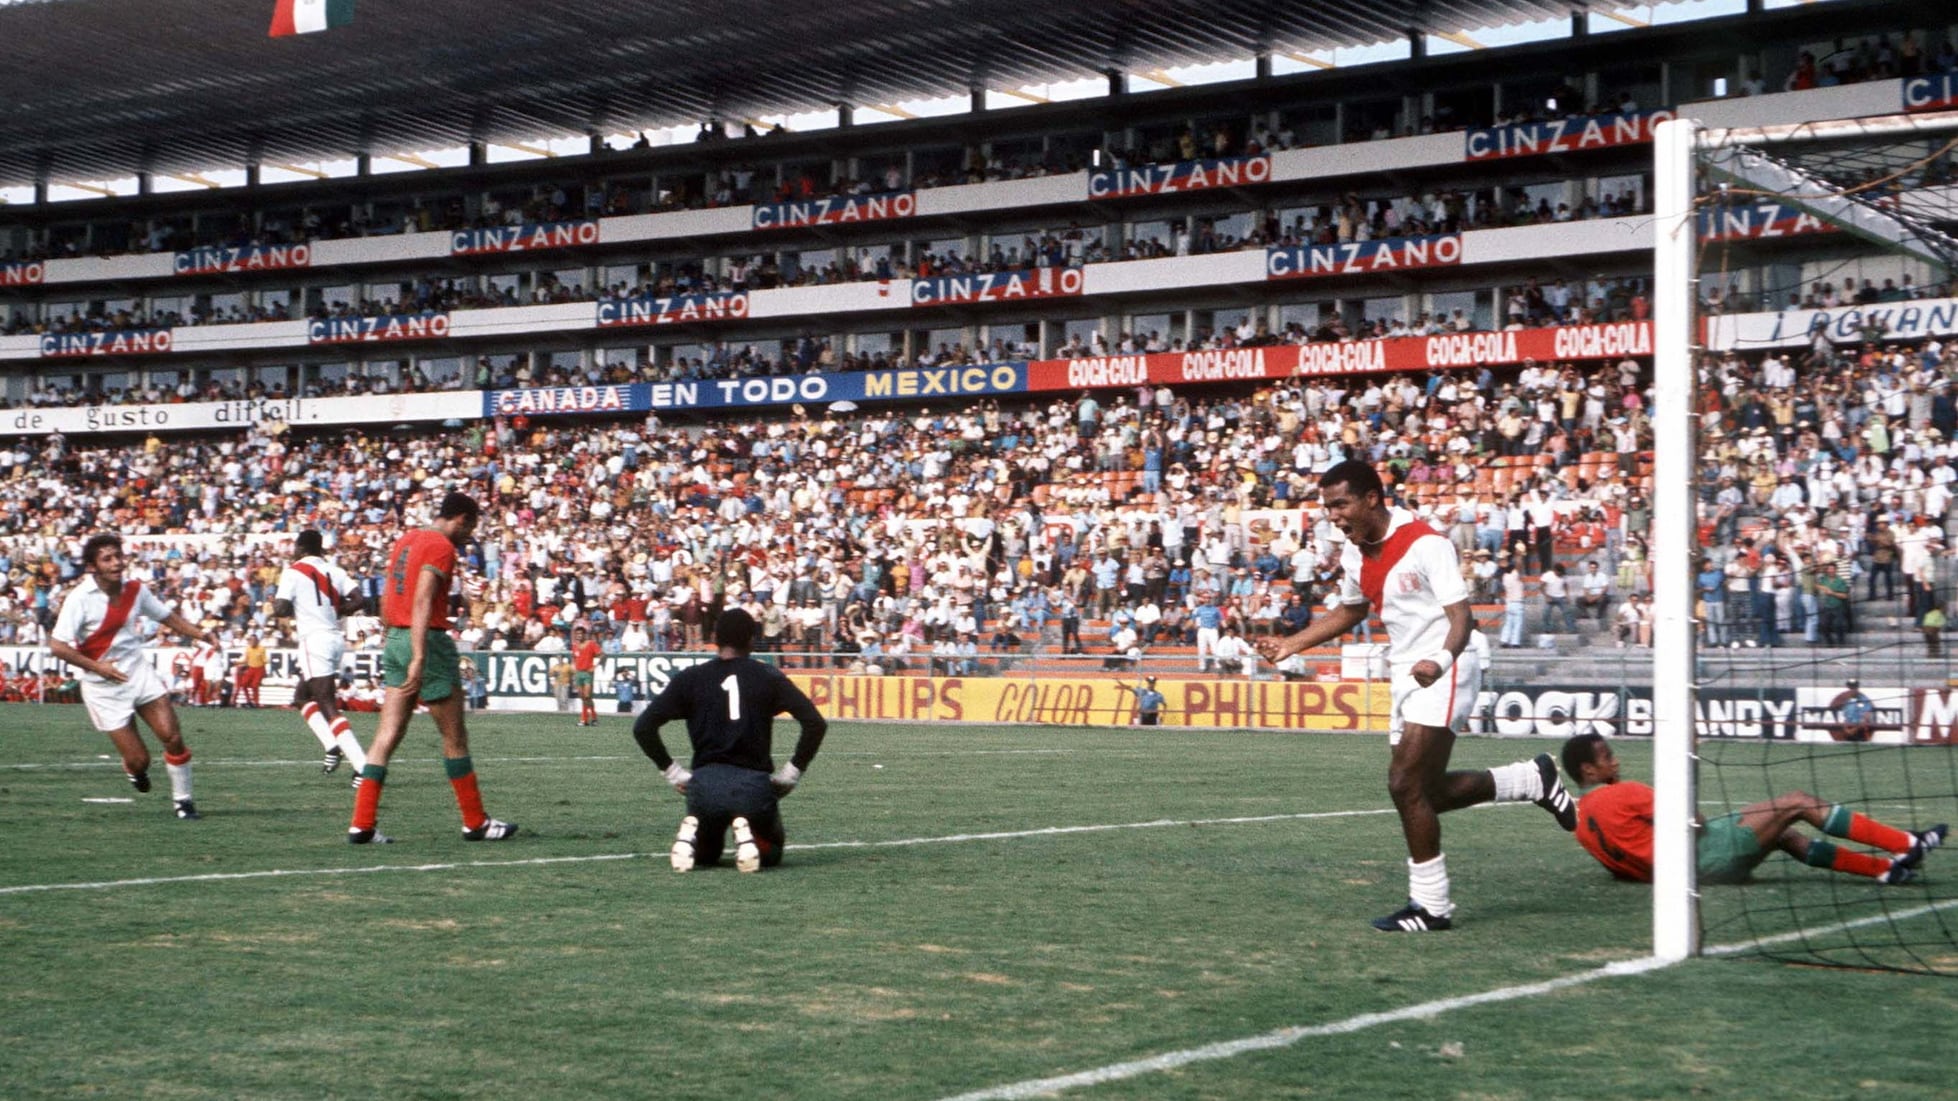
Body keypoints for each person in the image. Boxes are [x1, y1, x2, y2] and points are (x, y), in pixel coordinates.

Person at [1258, 459, 1576, 932]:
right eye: (1328, 508)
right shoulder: (1353, 554)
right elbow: (1350, 611)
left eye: (1341, 504)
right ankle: (1530, 780)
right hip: (1406, 670)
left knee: (1403, 784)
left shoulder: (1426, 544)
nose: (1334, 516)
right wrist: (1291, 644)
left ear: (1371, 499)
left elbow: (1462, 619)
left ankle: (1432, 907)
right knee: (1424, 793)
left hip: (1448, 664)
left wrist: (1441, 662)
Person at [347, 491, 517, 845]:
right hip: (426, 641)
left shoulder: (406, 540)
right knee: (454, 738)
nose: (470, 535)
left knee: (386, 736)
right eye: (470, 527)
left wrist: (395, 638)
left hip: (393, 637)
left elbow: (385, 594)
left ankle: (361, 823)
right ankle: (476, 823)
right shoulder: (442, 547)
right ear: (460, 519)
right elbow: (424, 597)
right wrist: (420, 654)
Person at [1561, 733, 1945, 885]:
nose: (1616, 761)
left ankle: (1885, 871)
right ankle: (1907, 844)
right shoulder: (1623, 793)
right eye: (1608, 757)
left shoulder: (1581, 826)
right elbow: (1693, 820)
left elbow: (1619, 870)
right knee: (1796, 802)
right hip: (1705, 857)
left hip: (1685, 876)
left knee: (1785, 835)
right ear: (1588, 770)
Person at [632, 609, 828, 873]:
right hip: (752, 787)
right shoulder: (768, 676)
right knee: (771, 853)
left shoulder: (690, 678)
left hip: (705, 787)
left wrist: (673, 772)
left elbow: (643, 727)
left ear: (714, 638)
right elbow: (814, 723)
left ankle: (691, 838)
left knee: (707, 855)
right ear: (751, 640)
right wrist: (791, 774)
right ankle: (748, 836)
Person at [48, 533, 220, 820]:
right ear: (92, 566)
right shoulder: (79, 598)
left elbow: (167, 617)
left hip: (137, 673)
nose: (116, 563)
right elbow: (58, 645)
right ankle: (133, 770)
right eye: (107, 559)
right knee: (140, 760)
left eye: (118, 556)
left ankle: (184, 802)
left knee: (172, 736)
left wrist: (201, 634)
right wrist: (98, 667)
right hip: (102, 686)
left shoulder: (135, 590)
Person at [274, 529, 368, 776]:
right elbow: (359, 599)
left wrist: (295, 606)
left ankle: (362, 766)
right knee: (302, 696)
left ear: (302, 549)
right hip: (335, 639)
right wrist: (337, 610)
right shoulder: (335, 571)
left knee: (326, 702)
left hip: (313, 640)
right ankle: (332, 745)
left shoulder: (293, 571)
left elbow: (281, 608)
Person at [571, 624, 602, 726]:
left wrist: (595, 666)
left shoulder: (591, 644)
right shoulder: (575, 645)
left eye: (581, 633)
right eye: (577, 634)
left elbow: (602, 655)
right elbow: (574, 657)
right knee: (583, 697)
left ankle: (592, 718)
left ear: (584, 634)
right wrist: (573, 667)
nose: (579, 635)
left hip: (587, 673)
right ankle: (586, 720)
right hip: (578, 673)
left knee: (587, 696)